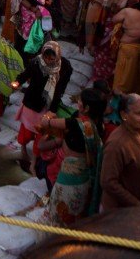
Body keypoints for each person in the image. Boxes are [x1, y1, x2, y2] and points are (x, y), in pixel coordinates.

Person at [37, 88, 106, 226]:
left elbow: (47, 123)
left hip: (69, 175)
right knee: (72, 209)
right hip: (82, 176)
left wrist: (47, 118)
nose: (77, 101)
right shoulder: (97, 126)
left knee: (60, 206)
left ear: (86, 108)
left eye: (80, 100)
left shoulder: (77, 124)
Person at [100, 94, 140, 210]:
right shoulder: (116, 144)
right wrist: (137, 205)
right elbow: (108, 182)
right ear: (124, 115)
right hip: (125, 212)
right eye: (139, 113)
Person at [16, 42, 72, 165]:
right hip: (32, 101)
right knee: (26, 130)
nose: (48, 61)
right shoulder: (36, 62)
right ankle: (23, 150)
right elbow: (25, 74)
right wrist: (18, 82)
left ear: (57, 56)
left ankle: (34, 161)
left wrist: (52, 109)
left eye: (51, 58)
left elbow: (60, 90)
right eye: (46, 57)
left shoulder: (65, 67)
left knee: (41, 133)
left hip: (47, 105)